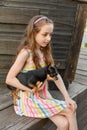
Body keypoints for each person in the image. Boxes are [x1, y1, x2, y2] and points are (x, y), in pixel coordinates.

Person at [6, 15, 78, 130]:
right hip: (28, 100)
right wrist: (31, 89)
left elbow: (56, 76)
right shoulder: (26, 53)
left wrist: (67, 97)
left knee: (64, 124)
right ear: (33, 33)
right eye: (45, 34)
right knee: (71, 110)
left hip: (43, 96)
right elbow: (9, 79)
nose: (48, 38)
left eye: (50, 34)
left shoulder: (44, 51)